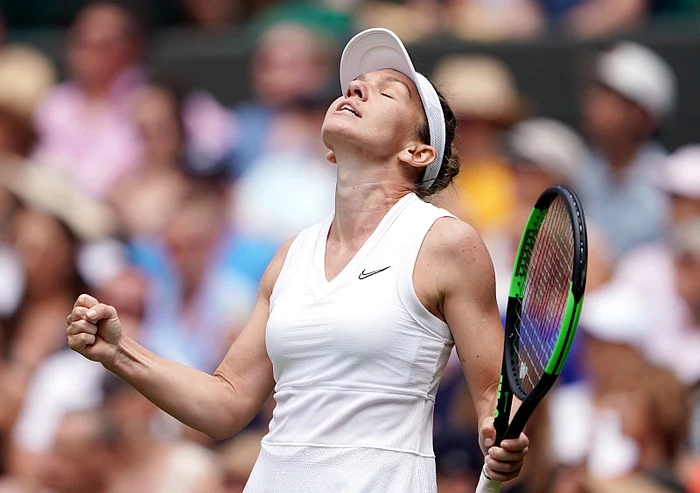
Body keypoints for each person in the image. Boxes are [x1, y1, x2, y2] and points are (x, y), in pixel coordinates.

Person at [65, 28, 529, 491]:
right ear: (329, 149)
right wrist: (119, 352)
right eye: (353, 86)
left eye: (387, 91)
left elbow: (493, 397)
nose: (356, 89)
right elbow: (226, 403)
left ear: (418, 151)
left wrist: (500, 438)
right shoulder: (291, 255)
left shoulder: (445, 243)